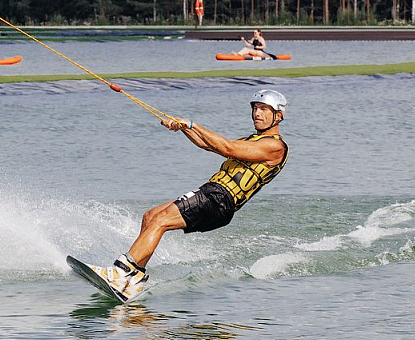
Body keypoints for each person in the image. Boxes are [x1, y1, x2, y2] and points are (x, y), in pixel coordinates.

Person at [90, 90, 289, 300]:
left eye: (264, 109)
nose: (257, 113)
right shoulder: (253, 140)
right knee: (151, 217)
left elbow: (228, 147)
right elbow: (209, 145)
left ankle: (120, 273)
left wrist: (193, 124)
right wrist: (183, 128)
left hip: (220, 199)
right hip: (212, 193)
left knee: (160, 220)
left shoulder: (274, 146)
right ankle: (133, 279)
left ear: (278, 115)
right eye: (255, 108)